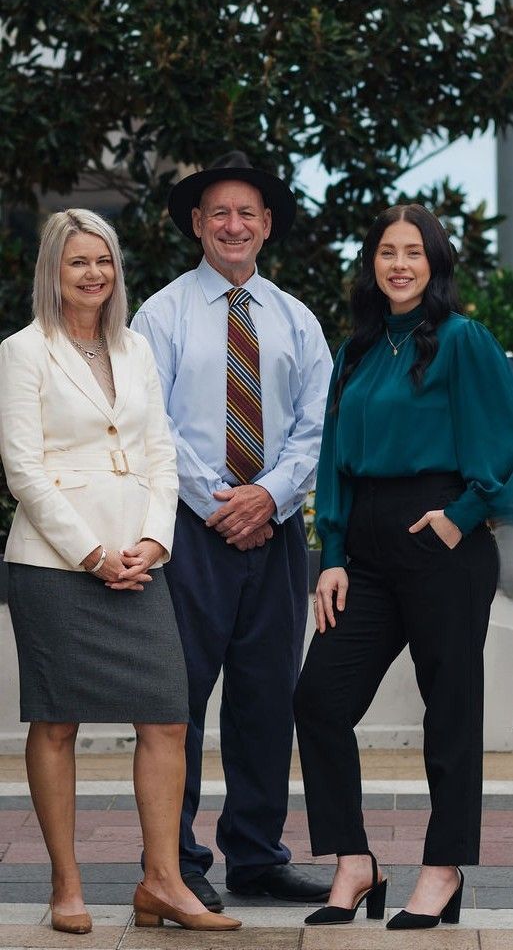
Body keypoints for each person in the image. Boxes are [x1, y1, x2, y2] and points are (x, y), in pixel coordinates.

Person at [0, 208, 240, 936]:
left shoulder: (135, 348)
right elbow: (22, 469)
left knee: (168, 714)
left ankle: (162, 882)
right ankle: (66, 887)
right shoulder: (22, 351)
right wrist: (91, 553)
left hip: (139, 560)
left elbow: (160, 453)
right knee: (56, 721)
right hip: (54, 562)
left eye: (103, 261)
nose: (94, 274)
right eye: (78, 262)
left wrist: (151, 542)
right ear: (54, 271)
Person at [294, 202, 513, 931]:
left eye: (412, 252)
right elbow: (332, 460)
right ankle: (354, 862)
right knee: (318, 699)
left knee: (447, 711)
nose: (398, 264)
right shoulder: (354, 352)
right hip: (366, 547)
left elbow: (505, 448)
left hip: (441, 534)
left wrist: (460, 515)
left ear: (435, 262)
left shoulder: (463, 342)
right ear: (372, 263)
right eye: (386, 251)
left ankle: (443, 867)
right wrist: (331, 552)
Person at [132, 151, 333, 910]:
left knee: (265, 700)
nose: (233, 225)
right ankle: (177, 865)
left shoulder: (295, 319)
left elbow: (314, 430)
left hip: (274, 536)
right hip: (190, 533)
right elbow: (152, 424)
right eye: (218, 212)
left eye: (247, 212)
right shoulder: (161, 313)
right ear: (196, 224)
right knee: (176, 702)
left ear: (267, 225)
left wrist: (267, 497)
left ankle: (255, 856)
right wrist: (223, 501)